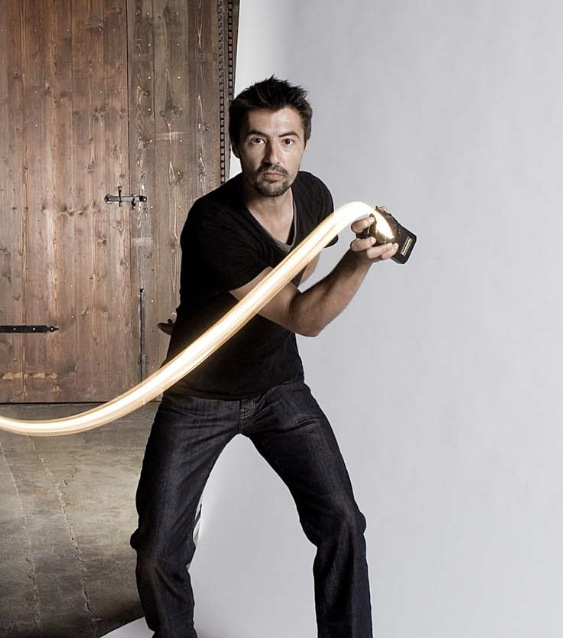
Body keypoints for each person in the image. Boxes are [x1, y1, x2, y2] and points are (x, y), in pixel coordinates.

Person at [130, 76, 398, 638]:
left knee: (342, 522)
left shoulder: (316, 197)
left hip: (277, 387)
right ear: (236, 146)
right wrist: (359, 263)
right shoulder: (213, 221)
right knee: (158, 549)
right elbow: (305, 317)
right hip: (199, 397)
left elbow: (300, 269)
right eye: (257, 140)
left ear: (305, 144)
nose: (274, 157)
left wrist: (238, 304)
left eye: (287, 140)